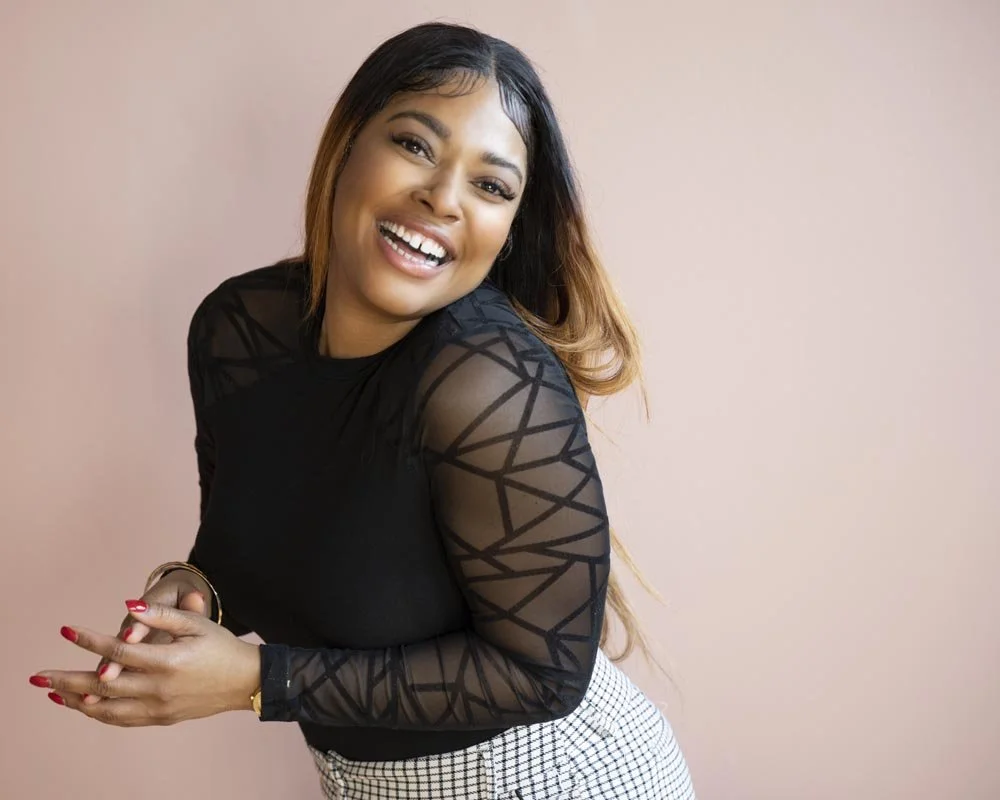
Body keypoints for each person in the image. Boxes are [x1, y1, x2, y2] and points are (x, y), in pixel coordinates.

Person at [31, 22, 696, 800]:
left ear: (510, 228)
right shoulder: (239, 330)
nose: (442, 198)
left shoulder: (487, 382)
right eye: (415, 145)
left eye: (490, 186)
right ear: (347, 141)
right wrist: (192, 592)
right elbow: (251, 541)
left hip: (550, 778)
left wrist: (256, 679)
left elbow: (542, 673)